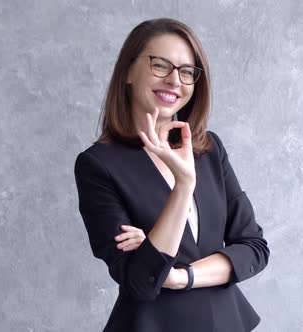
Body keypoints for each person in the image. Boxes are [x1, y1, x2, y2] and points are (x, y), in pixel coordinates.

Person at [74, 18, 269, 332]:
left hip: (224, 322)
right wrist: (183, 186)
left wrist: (179, 276)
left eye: (187, 71)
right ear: (127, 72)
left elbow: (253, 248)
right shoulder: (98, 165)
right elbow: (141, 281)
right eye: (160, 65)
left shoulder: (209, 149)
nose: (175, 81)